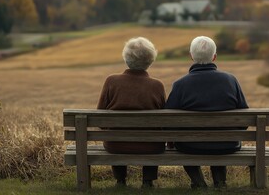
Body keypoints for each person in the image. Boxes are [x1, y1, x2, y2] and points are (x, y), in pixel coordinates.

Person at [165, 36, 248, 188]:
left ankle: (198, 182)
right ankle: (220, 181)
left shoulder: (180, 85)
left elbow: (168, 121)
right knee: (219, 137)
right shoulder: (231, 80)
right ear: (214, 57)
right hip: (227, 144)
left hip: (189, 146)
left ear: (191, 56)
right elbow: (244, 120)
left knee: (183, 140)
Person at [97, 37, 166, 188]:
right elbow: (163, 121)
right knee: (154, 137)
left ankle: (120, 180)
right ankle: (148, 181)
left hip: (116, 145)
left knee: (116, 135)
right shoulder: (157, 85)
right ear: (151, 60)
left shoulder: (111, 81)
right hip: (150, 147)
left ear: (125, 58)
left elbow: (100, 119)